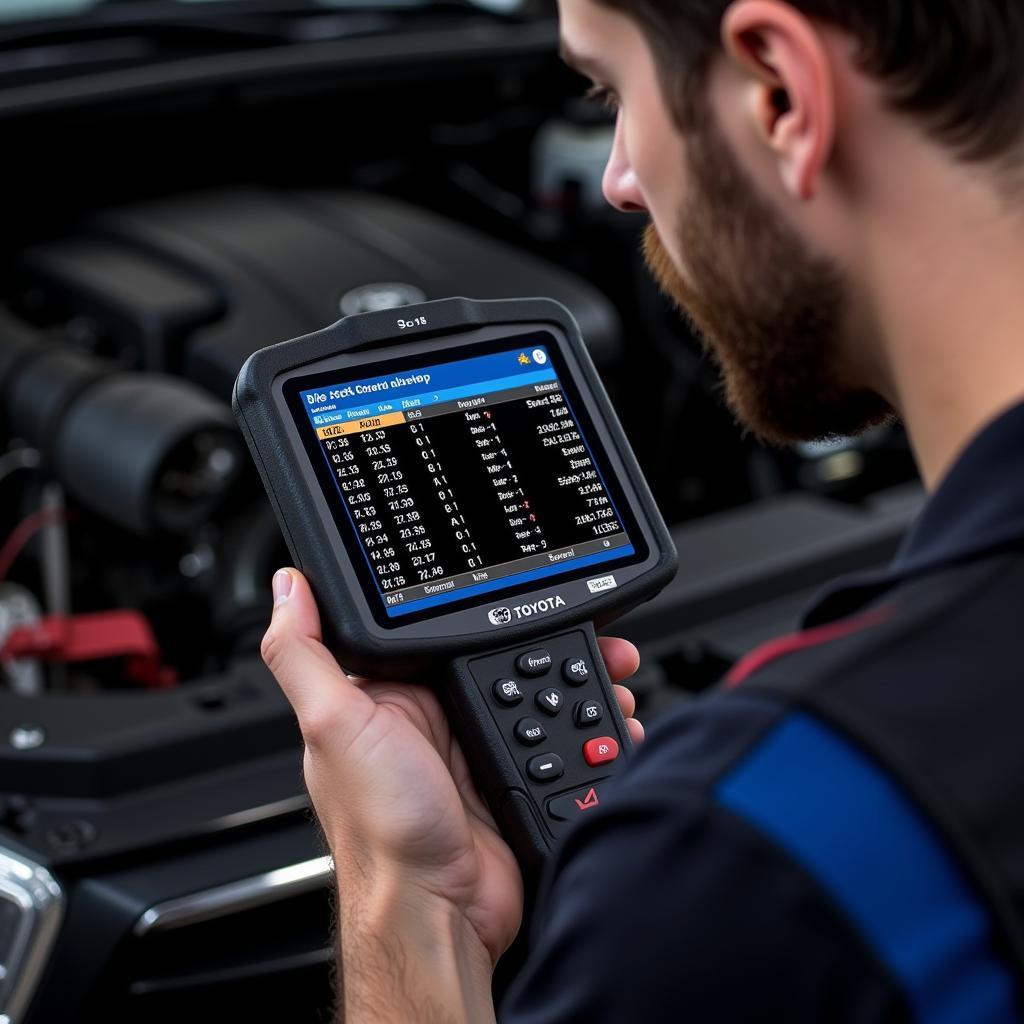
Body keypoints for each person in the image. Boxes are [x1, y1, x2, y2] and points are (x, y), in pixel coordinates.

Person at [260, 0, 1024, 1018]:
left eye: (612, 91)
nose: (618, 179)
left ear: (781, 94)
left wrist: (407, 903)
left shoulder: (747, 855)